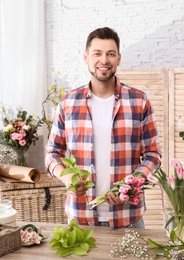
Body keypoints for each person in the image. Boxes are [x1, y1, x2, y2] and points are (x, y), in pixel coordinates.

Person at [45, 27, 161, 229]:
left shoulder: (139, 101)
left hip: (128, 218)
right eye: (97, 53)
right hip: (80, 219)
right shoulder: (68, 103)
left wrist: (130, 185)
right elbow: (52, 153)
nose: (104, 60)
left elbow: (153, 155)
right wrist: (66, 177)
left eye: (110, 54)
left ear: (119, 58)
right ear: (86, 57)